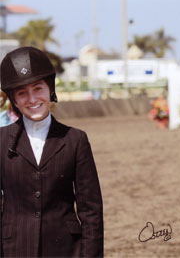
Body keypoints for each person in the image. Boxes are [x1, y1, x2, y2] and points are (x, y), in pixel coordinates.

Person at [0, 46, 103, 257]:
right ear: (14, 100)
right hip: (13, 249)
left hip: (65, 249)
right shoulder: (0, 141)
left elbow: (91, 211)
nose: (32, 99)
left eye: (38, 89)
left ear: (50, 89)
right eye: (22, 93)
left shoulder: (76, 140)